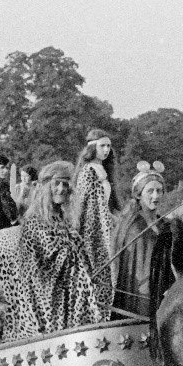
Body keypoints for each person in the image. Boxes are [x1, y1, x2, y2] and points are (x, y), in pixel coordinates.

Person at [0, 161, 112, 346]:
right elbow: (45, 264)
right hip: (46, 300)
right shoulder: (36, 220)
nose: (61, 189)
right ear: (46, 188)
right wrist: (74, 252)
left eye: (65, 184)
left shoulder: (62, 218)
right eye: (56, 184)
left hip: (69, 294)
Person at [111, 161, 183, 320]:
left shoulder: (163, 223)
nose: (156, 196)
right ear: (139, 194)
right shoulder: (135, 228)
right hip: (143, 298)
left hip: (167, 293)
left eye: (159, 191)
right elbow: (142, 271)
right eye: (150, 191)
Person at [70, 128, 119, 309]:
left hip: (106, 226)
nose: (106, 150)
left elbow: (107, 203)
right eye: (102, 146)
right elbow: (81, 203)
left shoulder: (104, 170)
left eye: (108, 146)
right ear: (92, 148)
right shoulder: (87, 171)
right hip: (92, 229)